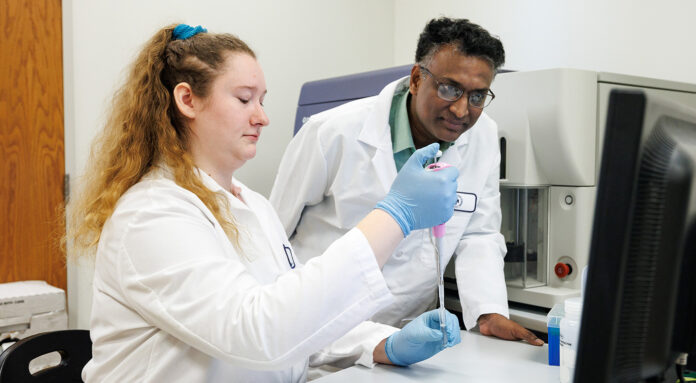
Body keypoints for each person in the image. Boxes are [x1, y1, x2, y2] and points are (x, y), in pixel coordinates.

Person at [67, 24, 463, 382]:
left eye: (262, 100)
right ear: (187, 100)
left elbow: (291, 312)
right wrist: (395, 215)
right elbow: (256, 331)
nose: (262, 117)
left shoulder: (253, 206)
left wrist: (379, 344)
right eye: (244, 99)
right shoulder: (151, 214)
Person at [270, 17, 543, 346]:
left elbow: (479, 232)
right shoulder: (333, 132)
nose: (461, 110)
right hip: (320, 330)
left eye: (477, 96)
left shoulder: (482, 135)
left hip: (408, 336)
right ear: (416, 79)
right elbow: (273, 236)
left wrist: (488, 311)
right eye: (449, 89)